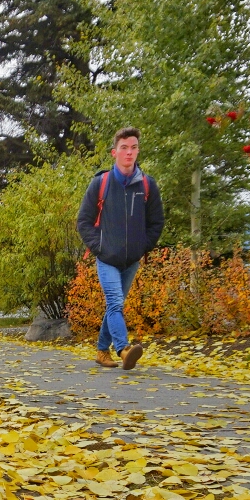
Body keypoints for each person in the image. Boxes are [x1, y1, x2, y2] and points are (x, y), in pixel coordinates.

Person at [76, 127, 164, 370]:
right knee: (115, 302)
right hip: (107, 257)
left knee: (114, 306)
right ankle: (124, 349)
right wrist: (99, 247)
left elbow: (156, 222)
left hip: (132, 259)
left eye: (133, 147)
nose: (129, 152)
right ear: (115, 152)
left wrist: (142, 247)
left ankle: (102, 352)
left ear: (137, 151)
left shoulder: (147, 185)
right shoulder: (101, 183)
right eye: (124, 148)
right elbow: (83, 222)